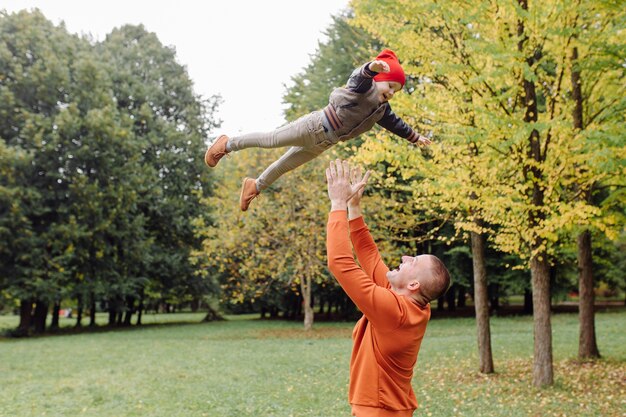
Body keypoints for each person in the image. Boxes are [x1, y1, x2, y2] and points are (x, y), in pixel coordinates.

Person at [204, 49, 432, 211]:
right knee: (271, 139)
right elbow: (358, 77)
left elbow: (396, 124)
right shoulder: (365, 88)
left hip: (325, 142)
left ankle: (255, 185)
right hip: (314, 126)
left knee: (284, 166)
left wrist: (415, 137)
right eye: (390, 86)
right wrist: (370, 68)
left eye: (396, 91)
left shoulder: (382, 109)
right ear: (380, 78)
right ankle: (227, 144)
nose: (392, 93)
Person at [325, 159, 450, 417]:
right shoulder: (408, 304)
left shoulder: (395, 312)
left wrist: (337, 204)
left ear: (414, 284)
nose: (405, 258)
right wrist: (354, 207)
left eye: (412, 261)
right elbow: (369, 256)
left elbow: (340, 263)